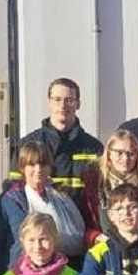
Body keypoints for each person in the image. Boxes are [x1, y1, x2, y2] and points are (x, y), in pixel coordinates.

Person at [0, 140, 86, 275]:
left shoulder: (60, 197)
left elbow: (77, 241)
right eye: (32, 165)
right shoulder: (8, 202)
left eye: (43, 164)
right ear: (22, 168)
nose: (38, 169)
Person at [17, 77, 104, 207]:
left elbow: (101, 191)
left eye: (69, 100)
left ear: (78, 104)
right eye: (57, 100)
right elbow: (15, 190)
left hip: (83, 224)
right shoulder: (27, 144)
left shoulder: (94, 148)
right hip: (41, 223)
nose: (63, 105)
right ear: (49, 103)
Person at [81, 129, 138, 243]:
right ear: (109, 153)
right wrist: (95, 237)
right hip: (105, 248)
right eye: (119, 152)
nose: (125, 158)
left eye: (131, 153)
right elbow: (85, 220)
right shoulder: (94, 182)